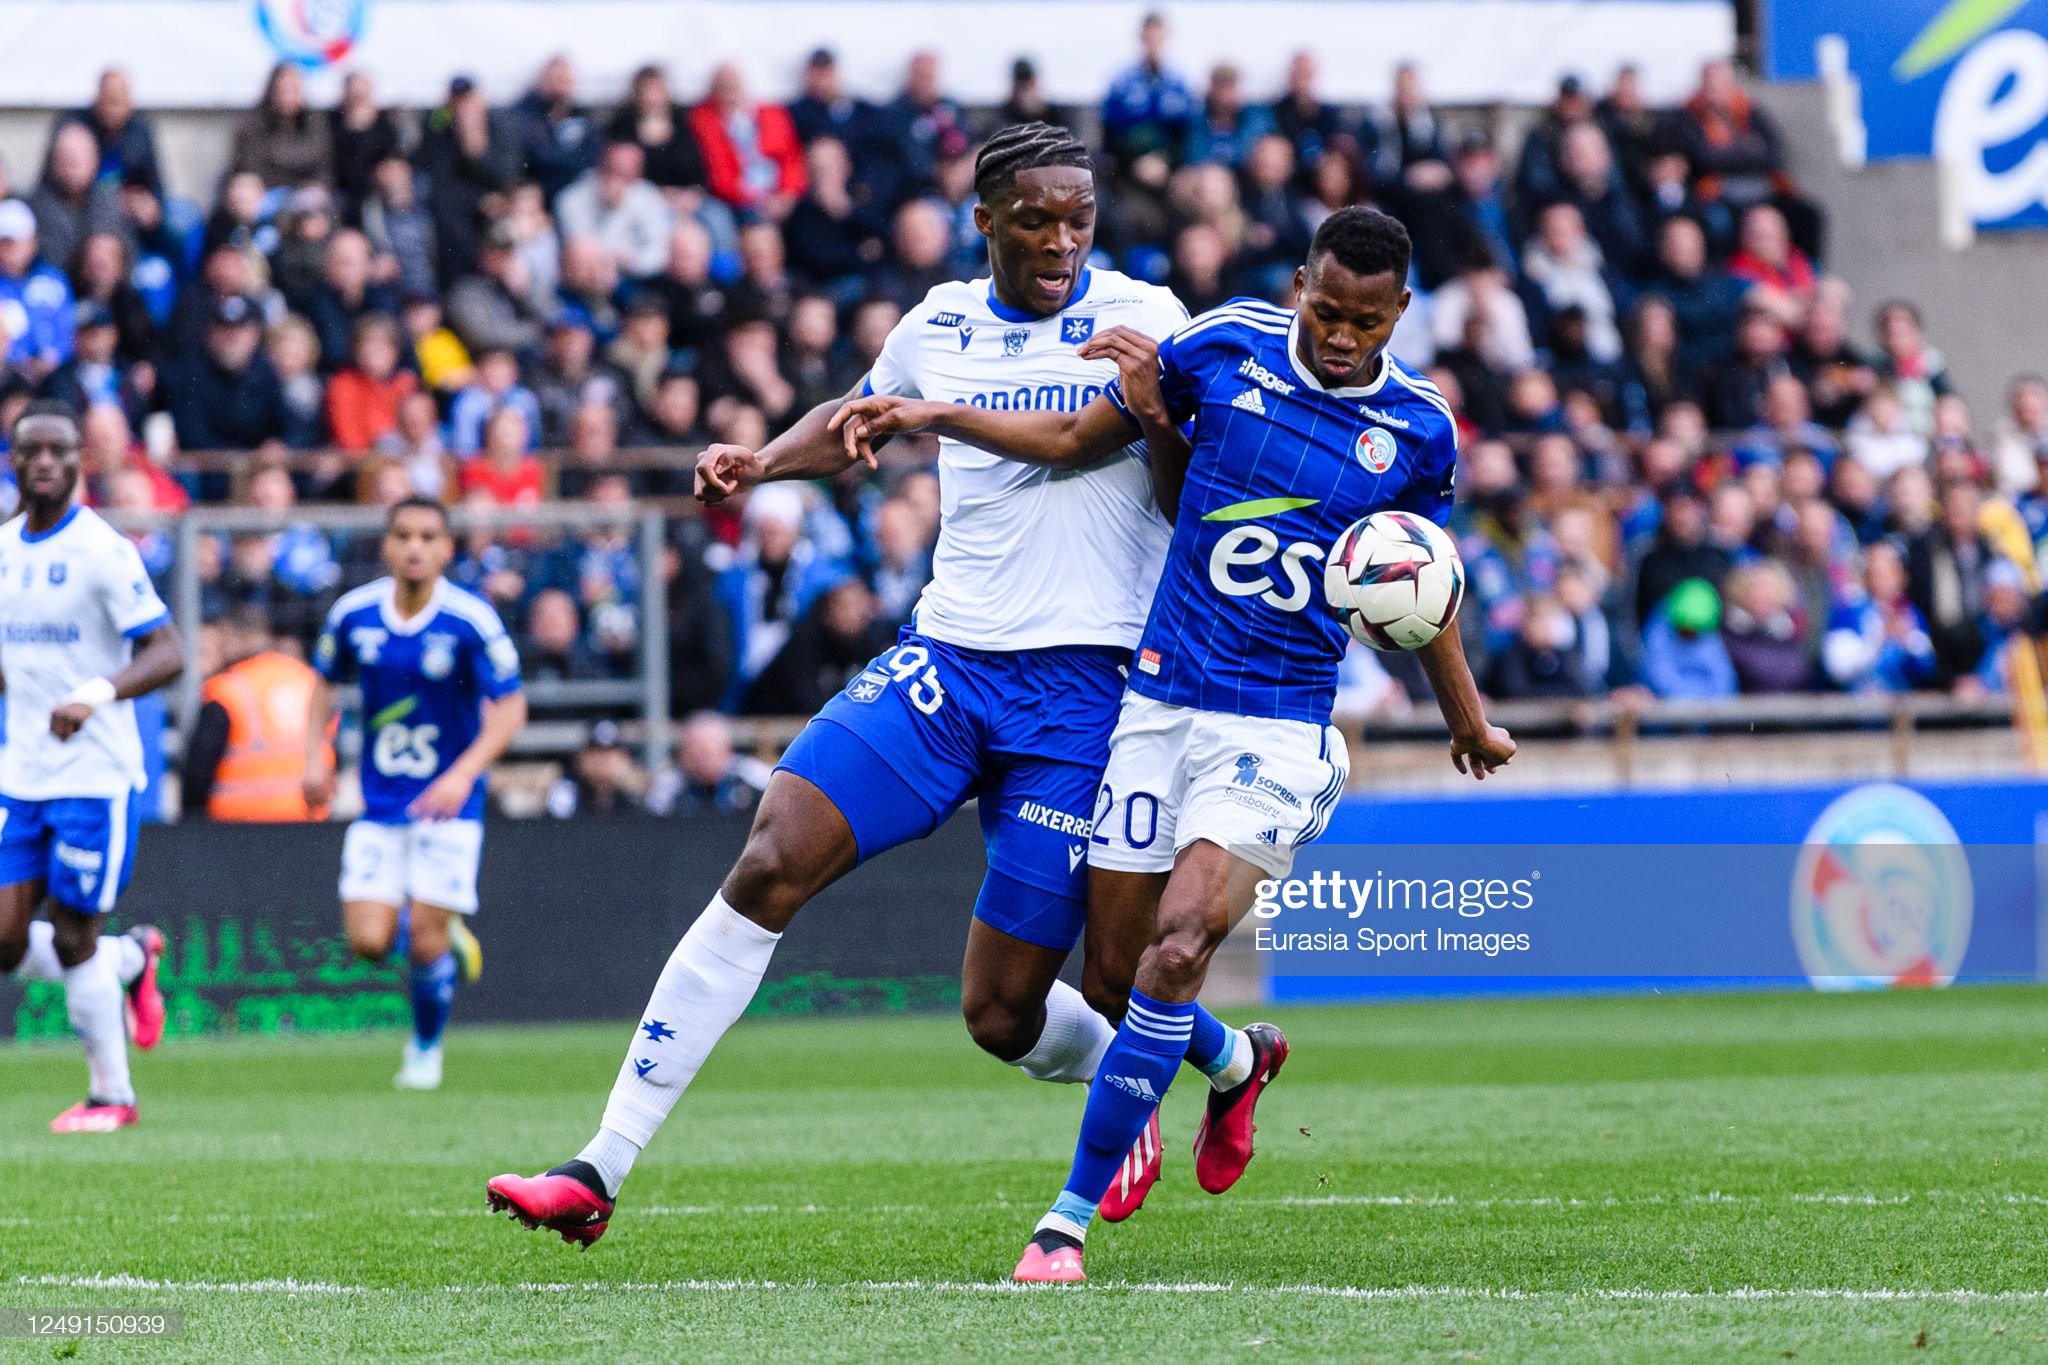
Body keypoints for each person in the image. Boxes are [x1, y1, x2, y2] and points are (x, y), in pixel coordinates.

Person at [485, 123, 1188, 1245]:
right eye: (1035, 219)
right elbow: (857, 412)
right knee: (769, 856)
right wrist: (761, 458)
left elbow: (1067, 437)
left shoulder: (1144, 321)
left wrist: (929, 417)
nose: (1060, 241)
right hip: (950, 662)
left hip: (1086, 687)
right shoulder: (940, 321)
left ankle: (1119, 1075)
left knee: (1001, 1012)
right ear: (985, 221)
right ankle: (596, 1166)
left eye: (1078, 219)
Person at [833, 206, 1515, 1282]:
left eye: (1366, 324)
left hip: (1279, 722)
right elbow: (1163, 492)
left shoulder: (1420, 429)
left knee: (1179, 941)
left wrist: (1464, 719)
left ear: (1400, 315)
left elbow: (1414, 584)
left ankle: (1061, 1222)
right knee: (1112, 975)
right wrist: (1153, 417)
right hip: (1156, 704)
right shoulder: (1221, 344)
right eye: (1326, 311)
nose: (1341, 338)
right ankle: (1237, 1064)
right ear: (1301, 284)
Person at [304, 497, 526, 1090]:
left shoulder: (470, 620)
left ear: (448, 548)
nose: (414, 547)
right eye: (403, 535)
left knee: (424, 942)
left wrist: (464, 772)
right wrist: (314, 757)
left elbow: (511, 707)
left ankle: (425, 1048)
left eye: (428, 536)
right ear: (386, 545)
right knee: (368, 943)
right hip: (379, 803)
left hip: (448, 805)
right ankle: (440, 928)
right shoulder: (354, 615)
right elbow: (322, 685)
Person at [0, 399, 179, 1132]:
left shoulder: (105, 551)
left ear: (81, 463)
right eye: (31, 451)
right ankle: (132, 960)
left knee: (73, 936)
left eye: (59, 452)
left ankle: (113, 1095)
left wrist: (97, 693)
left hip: (93, 777)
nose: (45, 462)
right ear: (13, 461)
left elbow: (169, 651)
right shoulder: (4, 547)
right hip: (21, 775)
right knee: (5, 942)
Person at [180, 608, 333, 821]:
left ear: (240, 639)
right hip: (309, 815)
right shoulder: (309, 679)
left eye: (224, 640)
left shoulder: (227, 688)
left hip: (241, 823)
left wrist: (190, 821)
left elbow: (199, 769)